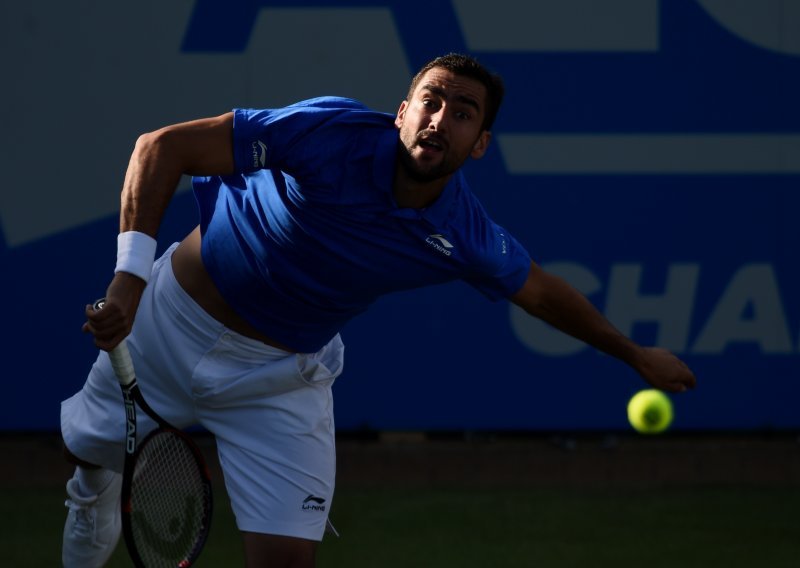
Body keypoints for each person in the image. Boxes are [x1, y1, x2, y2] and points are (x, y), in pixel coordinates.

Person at [60, 52, 696, 567]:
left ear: (480, 144)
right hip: (166, 325)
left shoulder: (463, 233)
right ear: (403, 113)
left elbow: (541, 291)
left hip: (278, 381)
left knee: (285, 562)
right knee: (92, 467)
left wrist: (635, 355)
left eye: (464, 113)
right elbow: (159, 147)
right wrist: (128, 283)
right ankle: (94, 490)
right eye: (432, 101)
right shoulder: (328, 133)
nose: (441, 119)